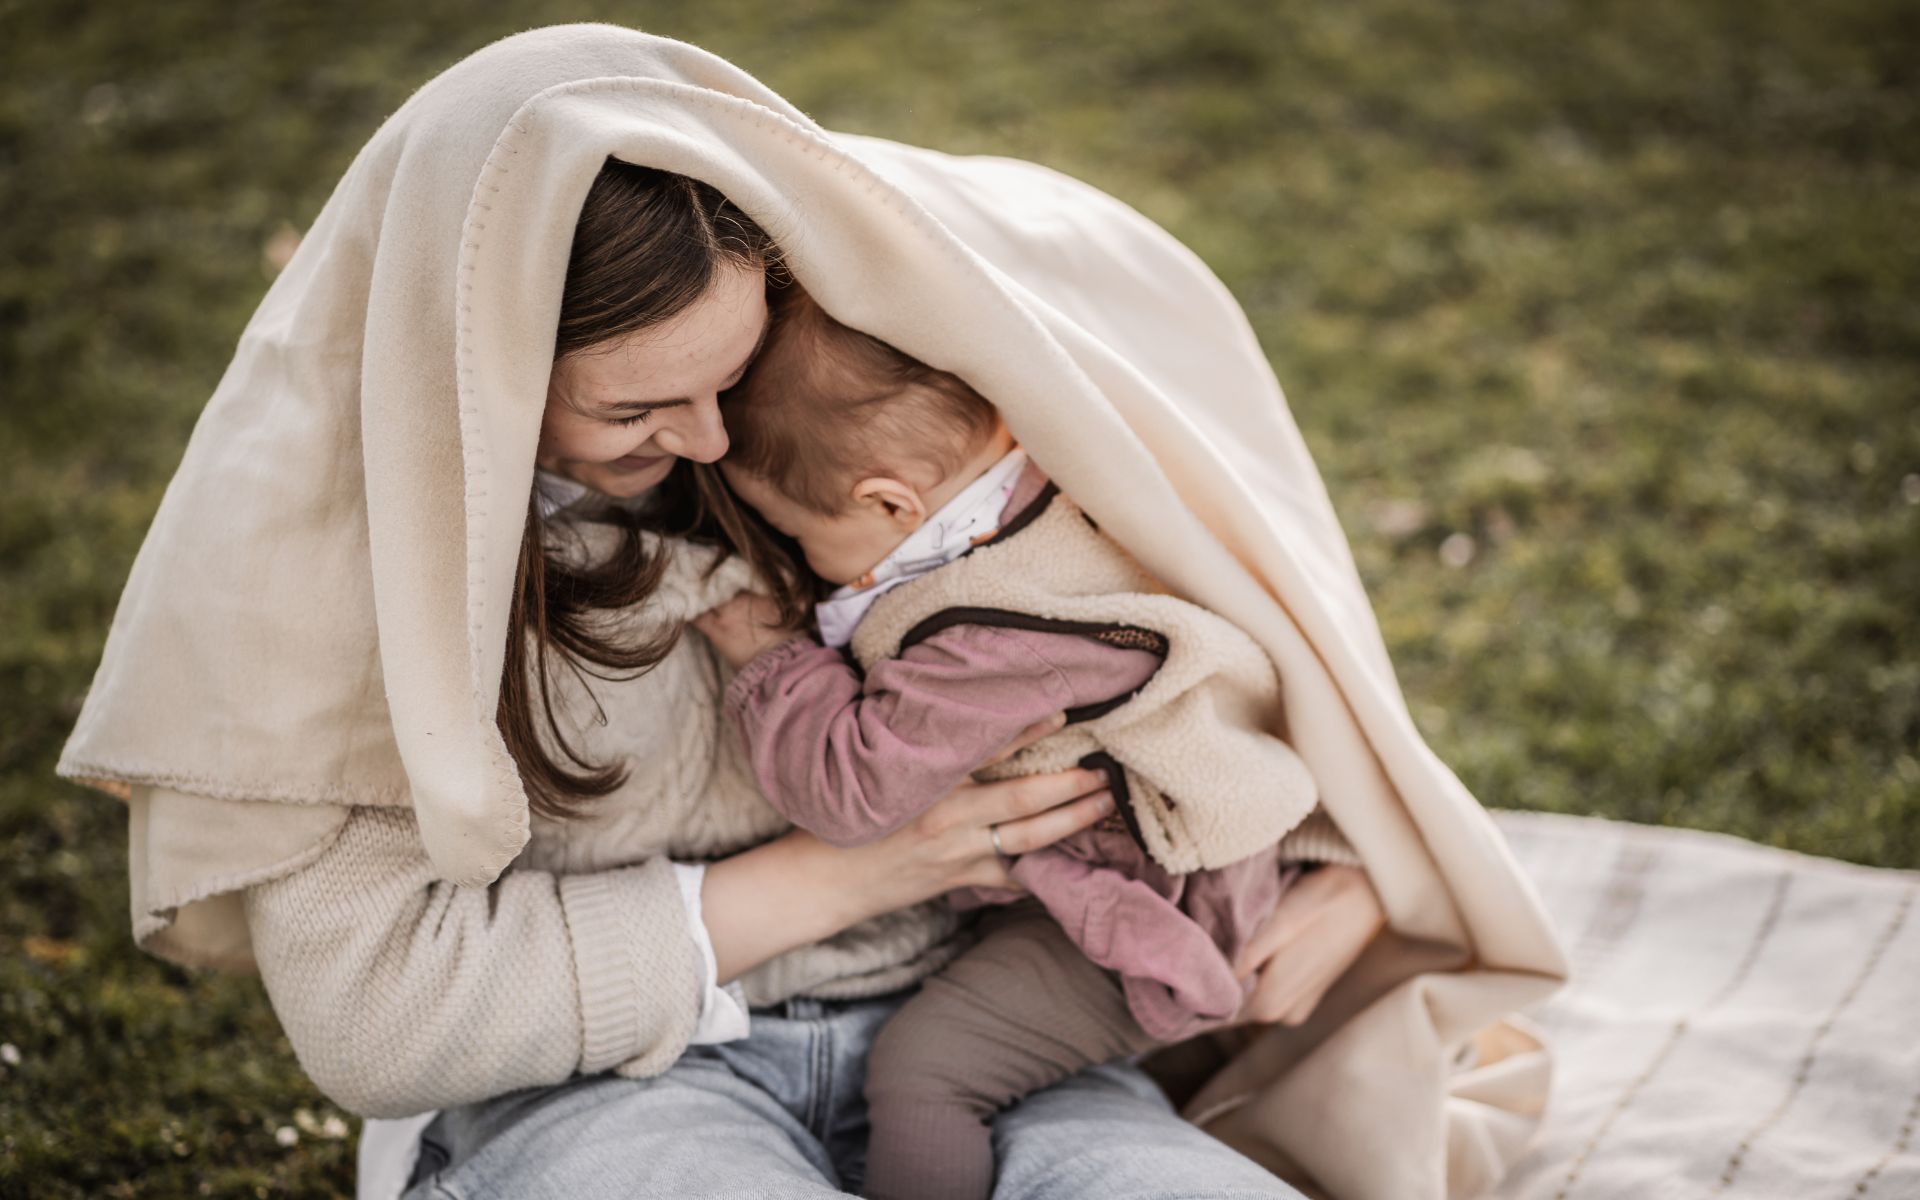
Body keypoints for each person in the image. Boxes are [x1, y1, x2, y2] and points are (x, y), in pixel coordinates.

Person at [55, 24, 1566, 1200]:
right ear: (480, 380)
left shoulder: (834, 402)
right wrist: (851, 873)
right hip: (615, 1086)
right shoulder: (338, 572)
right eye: (637, 409)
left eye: (730, 376)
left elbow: (1213, 616)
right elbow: (378, 1024)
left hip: (1001, 1039)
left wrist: (1345, 867)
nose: (714, 444)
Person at [693, 283, 1362, 1200]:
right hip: (1156, 873)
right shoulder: (1059, 487)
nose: (803, 561)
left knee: (927, 1072)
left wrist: (772, 662)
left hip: (1142, 922)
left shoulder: (987, 638)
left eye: (797, 533)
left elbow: (855, 794)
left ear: (889, 502)